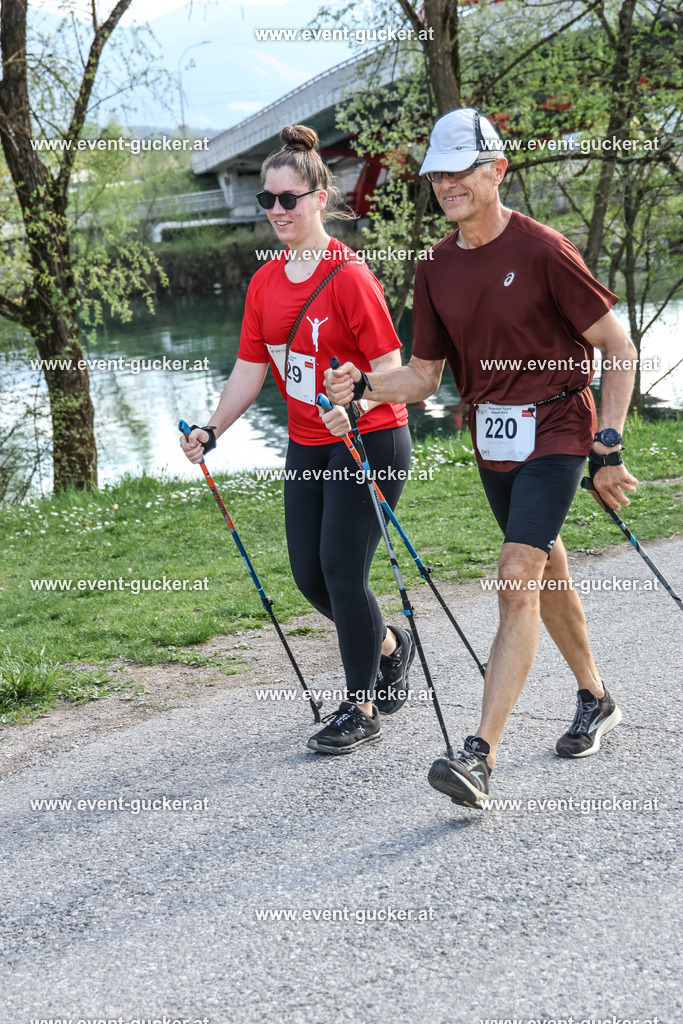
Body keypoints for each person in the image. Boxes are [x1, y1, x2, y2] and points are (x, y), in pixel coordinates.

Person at [325, 107, 639, 806]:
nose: (447, 184)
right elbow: (424, 377)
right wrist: (363, 385)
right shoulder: (435, 266)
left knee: (514, 571)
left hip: (558, 424)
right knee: (543, 565)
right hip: (493, 440)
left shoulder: (543, 250)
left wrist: (608, 442)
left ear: (497, 169)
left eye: (462, 170)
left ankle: (478, 756)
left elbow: (616, 349)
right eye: (438, 174)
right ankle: (594, 696)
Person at [182, 124, 416, 754]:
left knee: (343, 570)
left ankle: (359, 705)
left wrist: (359, 395)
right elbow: (250, 370)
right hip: (308, 444)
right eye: (269, 200)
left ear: (319, 199)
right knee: (311, 578)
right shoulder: (264, 284)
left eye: (290, 199)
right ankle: (391, 645)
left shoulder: (351, 278)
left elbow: (397, 373)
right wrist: (211, 428)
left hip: (369, 439)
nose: (278, 211)